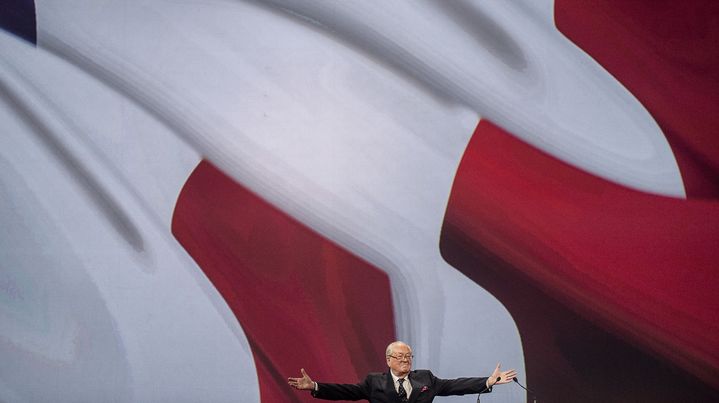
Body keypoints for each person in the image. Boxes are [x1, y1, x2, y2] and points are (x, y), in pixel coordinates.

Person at [288, 341, 517, 402]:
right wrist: (315, 386)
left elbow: (453, 385)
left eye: (409, 356)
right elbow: (347, 391)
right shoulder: (374, 382)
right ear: (389, 360)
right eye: (401, 356)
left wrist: (488, 381)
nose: (406, 360)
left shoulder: (425, 378)